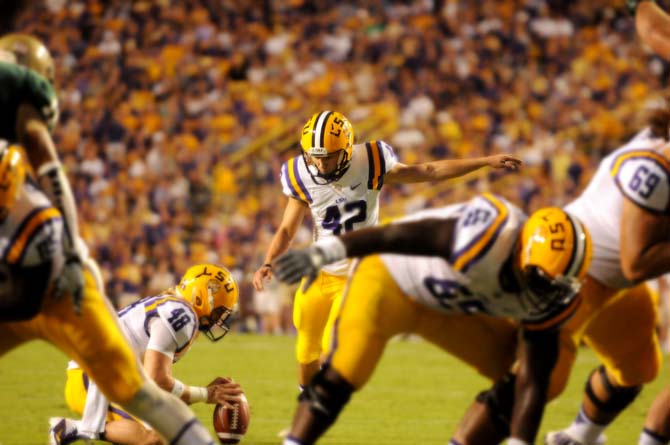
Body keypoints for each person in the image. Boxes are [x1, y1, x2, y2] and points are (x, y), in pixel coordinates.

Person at [0, 34, 217, 445]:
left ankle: (78, 431)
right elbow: (50, 168)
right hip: (46, 270)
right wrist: (72, 248)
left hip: (40, 262)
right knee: (149, 410)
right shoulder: (26, 106)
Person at [273, 193, 593, 445]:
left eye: (557, 286)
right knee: (345, 370)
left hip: (450, 309)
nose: (548, 294)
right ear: (524, 253)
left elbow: (534, 380)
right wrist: (322, 252)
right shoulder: (489, 234)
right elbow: (393, 235)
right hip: (391, 280)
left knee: (526, 378)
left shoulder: (551, 290)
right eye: (543, 282)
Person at [252, 110, 522, 394]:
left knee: (335, 348)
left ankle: (317, 412)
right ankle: (305, 410)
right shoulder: (300, 174)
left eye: (327, 157)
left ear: (346, 150)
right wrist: (268, 262)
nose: (319, 163)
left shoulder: (371, 160)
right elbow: (286, 229)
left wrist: (483, 162)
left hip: (357, 275)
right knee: (305, 353)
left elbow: (427, 171)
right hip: (319, 275)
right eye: (314, 156)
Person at [541, 102, 670, 445]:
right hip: (574, 267)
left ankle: (579, 437)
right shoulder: (656, 165)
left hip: (615, 281)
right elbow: (637, 261)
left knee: (637, 365)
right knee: (539, 382)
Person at [49, 263, 243, 444]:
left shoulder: (173, 306)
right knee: (156, 435)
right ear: (200, 297)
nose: (218, 321)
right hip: (92, 379)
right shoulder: (183, 316)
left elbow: (156, 389)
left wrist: (202, 395)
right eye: (218, 312)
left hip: (105, 377)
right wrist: (205, 394)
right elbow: (157, 380)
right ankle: (73, 429)